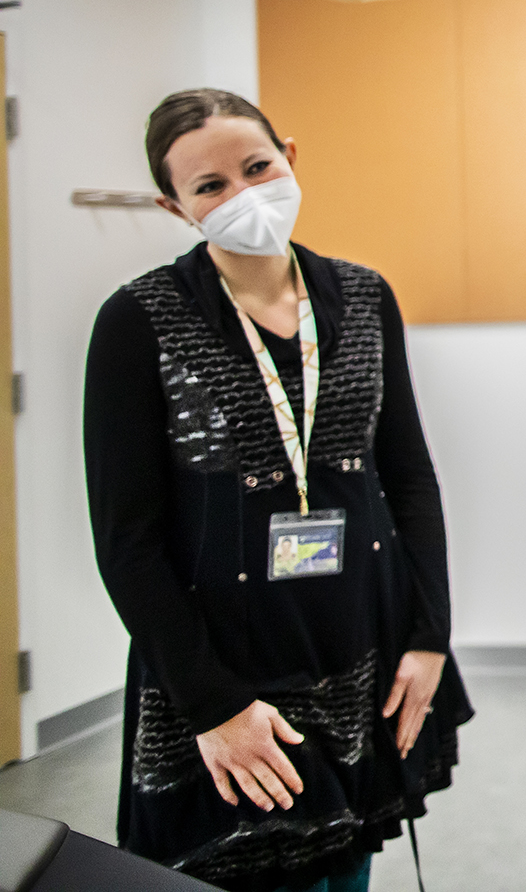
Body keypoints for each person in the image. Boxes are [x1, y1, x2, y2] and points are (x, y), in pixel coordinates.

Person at [84, 89, 472, 892]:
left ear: (289, 157)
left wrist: (431, 633)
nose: (244, 195)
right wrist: (213, 706)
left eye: (257, 166)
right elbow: (128, 541)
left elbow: (409, 475)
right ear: (175, 205)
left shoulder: (363, 297)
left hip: (360, 642)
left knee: (349, 868)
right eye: (210, 185)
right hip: (223, 669)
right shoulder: (138, 320)